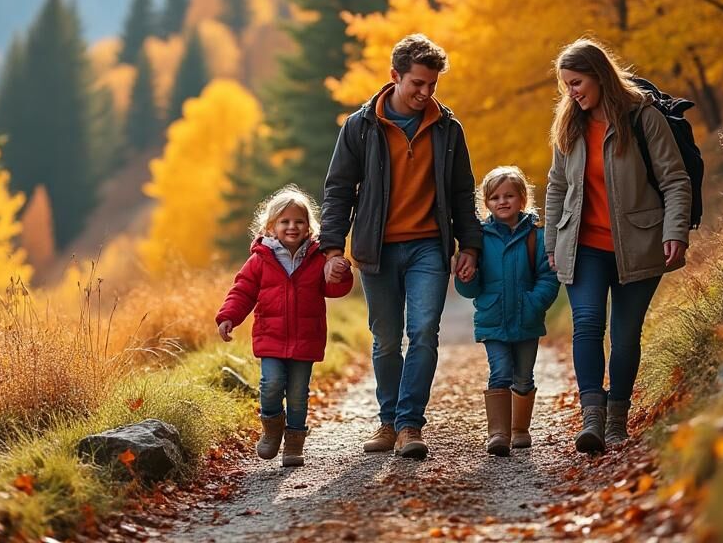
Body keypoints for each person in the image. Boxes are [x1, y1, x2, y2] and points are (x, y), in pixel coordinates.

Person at [320, 33, 483, 460]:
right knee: (386, 339)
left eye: (432, 85)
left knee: (425, 331)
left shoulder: (448, 129)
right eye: (417, 84)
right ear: (395, 76)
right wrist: (332, 249)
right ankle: (388, 421)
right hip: (378, 248)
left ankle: (411, 424)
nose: (425, 93)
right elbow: (338, 190)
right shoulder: (360, 127)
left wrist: (471, 246)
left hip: (429, 246)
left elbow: (463, 192)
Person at [544, 38, 692, 453]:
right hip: (583, 244)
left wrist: (674, 231)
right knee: (588, 323)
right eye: (566, 85)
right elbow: (557, 187)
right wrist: (551, 241)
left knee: (625, 336)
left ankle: (616, 422)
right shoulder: (569, 125)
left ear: (599, 74)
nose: (571, 92)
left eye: (576, 82)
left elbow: (674, 179)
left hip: (640, 243)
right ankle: (591, 418)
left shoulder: (643, 118)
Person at [216, 185, 354, 467]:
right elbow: (242, 291)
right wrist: (228, 316)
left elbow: (334, 289)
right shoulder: (260, 259)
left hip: (306, 338)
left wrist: (341, 273)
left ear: (308, 226)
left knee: (298, 395)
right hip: (271, 337)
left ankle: (294, 445)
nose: (292, 227)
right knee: (270, 385)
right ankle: (271, 428)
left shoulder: (318, 259)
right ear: (271, 226)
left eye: (299, 221)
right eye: (285, 222)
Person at [456, 166, 560, 456]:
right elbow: (471, 289)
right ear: (486, 203)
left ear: (522, 199)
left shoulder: (536, 237)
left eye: (509, 196)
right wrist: (467, 277)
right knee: (500, 372)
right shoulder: (480, 238)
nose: (502, 202)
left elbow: (548, 277)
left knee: (524, 377)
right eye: (495, 198)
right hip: (493, 319)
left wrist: (534, 303)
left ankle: (519, 429)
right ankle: (498, 433)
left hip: (527, 318)